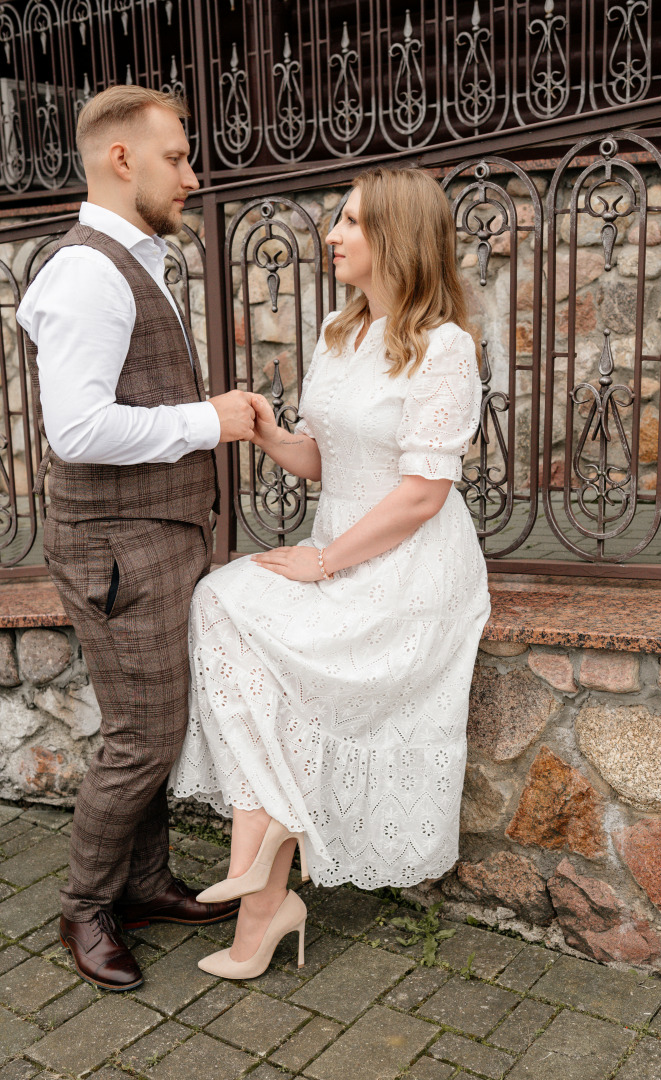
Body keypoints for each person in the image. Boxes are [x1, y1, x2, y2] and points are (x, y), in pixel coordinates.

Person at [170, 166, 491, 979]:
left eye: (351, 221)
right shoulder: (338, 332)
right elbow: (328, 459)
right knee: (220, 602)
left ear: (397, 237)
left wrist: (323, 561)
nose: (333, 234)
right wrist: (270, 437)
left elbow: (421, 495)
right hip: (341, 543)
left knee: (257, 635)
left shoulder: (445, 348)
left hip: (410, 565)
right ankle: (266, 872)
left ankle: (259, 901)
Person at [17, 85, 254, 991]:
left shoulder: (131, 259)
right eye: (178, 158)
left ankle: (145, 885)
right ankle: (84, 907)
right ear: (123, 159)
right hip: (118, 548)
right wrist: (208, 420)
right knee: (140, 739)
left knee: (156, 727)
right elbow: (78, 430)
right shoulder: (88, 273)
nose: (192, 176)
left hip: (152, 536)